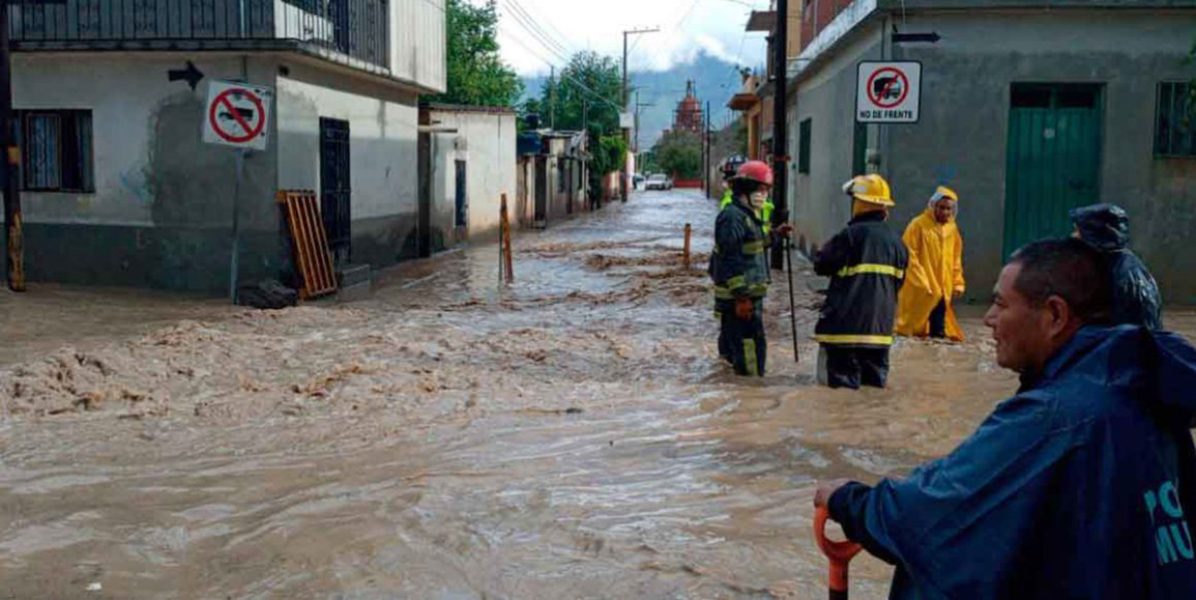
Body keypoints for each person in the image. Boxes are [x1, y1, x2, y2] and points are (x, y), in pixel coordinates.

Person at [814, 238, 1196, 598]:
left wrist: (847, 499)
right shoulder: (1147, 388)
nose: (988, 319)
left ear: (1055, 315)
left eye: (1000, 303)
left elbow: (929, 518)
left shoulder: (1052, 416)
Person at [813, 174, 909, 389]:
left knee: (837, 396)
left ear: (860, 203)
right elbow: (899, 284)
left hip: (842, 332)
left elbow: (821, 265)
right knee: (873, 394)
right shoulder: (898, 243)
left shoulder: (849, 236)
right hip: (880, 333)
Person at [709, 160, 790, 376]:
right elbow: (730, 258)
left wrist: (776, 235)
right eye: (760, 189)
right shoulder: (732, 217)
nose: (764, 195)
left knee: (743, 349)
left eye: (766, 190)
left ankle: (738, 384)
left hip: (747, 296)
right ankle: (751, 390)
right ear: (745, 189)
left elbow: (754, 244)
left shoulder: (747, 215)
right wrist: (741, 297)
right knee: (749, 351)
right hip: (740, 299)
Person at [1070, 203, 1163, 330]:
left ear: (1095, 235)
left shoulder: (1122, 275)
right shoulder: (1110, 264)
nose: (1073, 236)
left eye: (1078, 231)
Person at [895, 186, 966, 341]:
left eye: (948, 209)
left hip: (942, 288)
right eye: (941, 208)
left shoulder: (952, 229)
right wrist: (921, 281)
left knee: (937, 330)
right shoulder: (918, 225)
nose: (945, 212)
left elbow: (955, 258)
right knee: (912, 328)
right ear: (933, 206)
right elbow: (909, 254)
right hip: (921, 287)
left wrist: (957, 282)